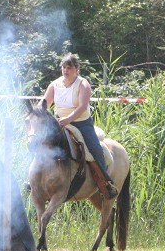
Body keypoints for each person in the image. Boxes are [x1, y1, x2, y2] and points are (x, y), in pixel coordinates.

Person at [40, 53, 119, 198]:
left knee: (95, 148)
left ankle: (105, 182)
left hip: (81, 123)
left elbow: (82, 107)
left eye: (69, 67)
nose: (65, 70)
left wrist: (68, 119)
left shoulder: (83, 84)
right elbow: (44, 103)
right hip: (59, 123)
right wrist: (36, 114)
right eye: (63, 67)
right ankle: (34, 181)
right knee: (39, 143)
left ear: (77, 68)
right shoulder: (55, 84)